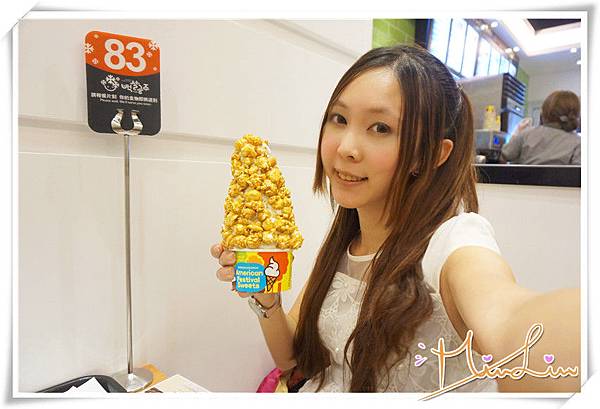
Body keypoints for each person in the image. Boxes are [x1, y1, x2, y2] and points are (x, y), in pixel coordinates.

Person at [210, 45, 580, 393]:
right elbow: (293, 359)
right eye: (339, 118)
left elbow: (510, 319)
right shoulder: (346, 236)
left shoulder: (453, 242)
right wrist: (267, 299)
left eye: (380, 128)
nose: (346, 148)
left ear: (432, 154)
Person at [501, 90, 581, 165]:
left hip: (525, 175)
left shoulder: (526, 134)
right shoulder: (578, 143)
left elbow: (504, 156)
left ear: (544, 112)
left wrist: (516, 134)